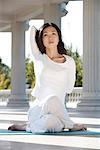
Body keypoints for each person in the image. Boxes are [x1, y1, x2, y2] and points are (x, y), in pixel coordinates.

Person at [8, 23, 86, 133]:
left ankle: (27, 126)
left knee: (50, 123)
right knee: (52, 99)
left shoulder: (70, 61)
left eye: (54, 33)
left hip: (58, 113)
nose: (50, 37)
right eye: (45, 35)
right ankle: (70, 125)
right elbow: (32, 30)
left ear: (59, 37)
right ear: (41, 39)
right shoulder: (39, 58)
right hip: (39, 109)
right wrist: (41, 30)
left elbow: (69, 88)